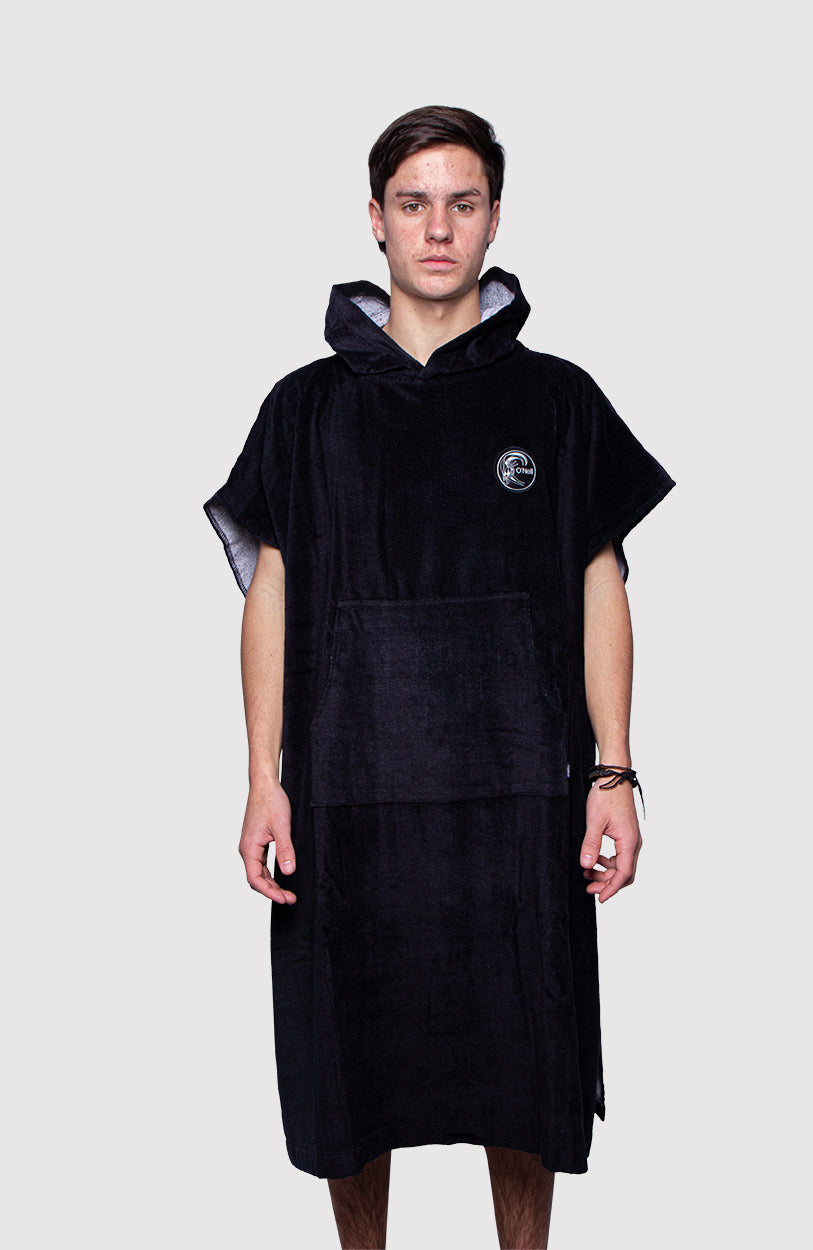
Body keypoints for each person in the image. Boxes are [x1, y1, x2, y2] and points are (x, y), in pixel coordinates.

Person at [204, 105, 674, 1250]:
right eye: (413, 203)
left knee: (525, 1067)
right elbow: (270, 590)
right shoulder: (307, 407)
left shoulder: (555, 399)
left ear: (495, 218)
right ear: (375, 219)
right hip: (347, 791)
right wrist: (263, 776)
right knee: (352, 1075)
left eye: (463, 203)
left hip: (521, 795)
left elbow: (601, 582)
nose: (438, 228)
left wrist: (614, 771)